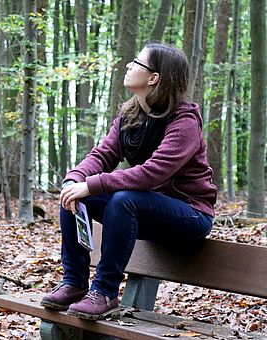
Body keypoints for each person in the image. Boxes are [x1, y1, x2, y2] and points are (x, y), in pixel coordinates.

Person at [41, 42, 217, 321]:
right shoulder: (131, 115)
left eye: (136, 62)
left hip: (190, 215)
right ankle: (74, 283)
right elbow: (103, 154)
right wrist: (75, 179)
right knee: (74, 195)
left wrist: (93, 183)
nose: (128, 65)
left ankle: (105, 292)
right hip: (147, 209)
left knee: (124, 199)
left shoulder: (185, 122)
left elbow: (151, 173)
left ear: (153, 77)